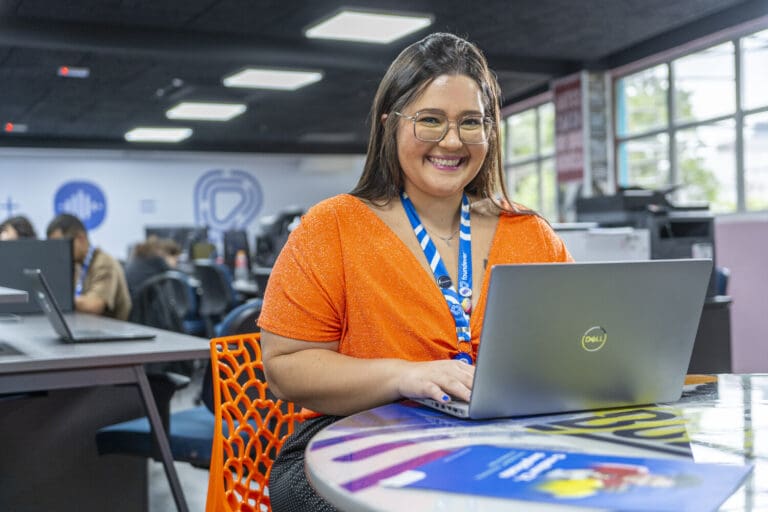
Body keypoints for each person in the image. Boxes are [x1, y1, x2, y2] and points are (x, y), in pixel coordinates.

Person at [257, 33, 573, 511]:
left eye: (472, 123)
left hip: (505, 431)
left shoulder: (530, 232)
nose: (451, 141)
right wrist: (406, 375)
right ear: (390, 126)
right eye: (430, 120)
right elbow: (285, 370)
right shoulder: (332, 226)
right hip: (354, 434)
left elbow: (580, 342)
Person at [46, 213, 132, 321]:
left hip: (111, 331)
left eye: (61, 245)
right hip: (88, 327)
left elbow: (94, 305)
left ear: (80, 238)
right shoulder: (77, 265)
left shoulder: (105, 263)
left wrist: (55, 299)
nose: (58, 252)